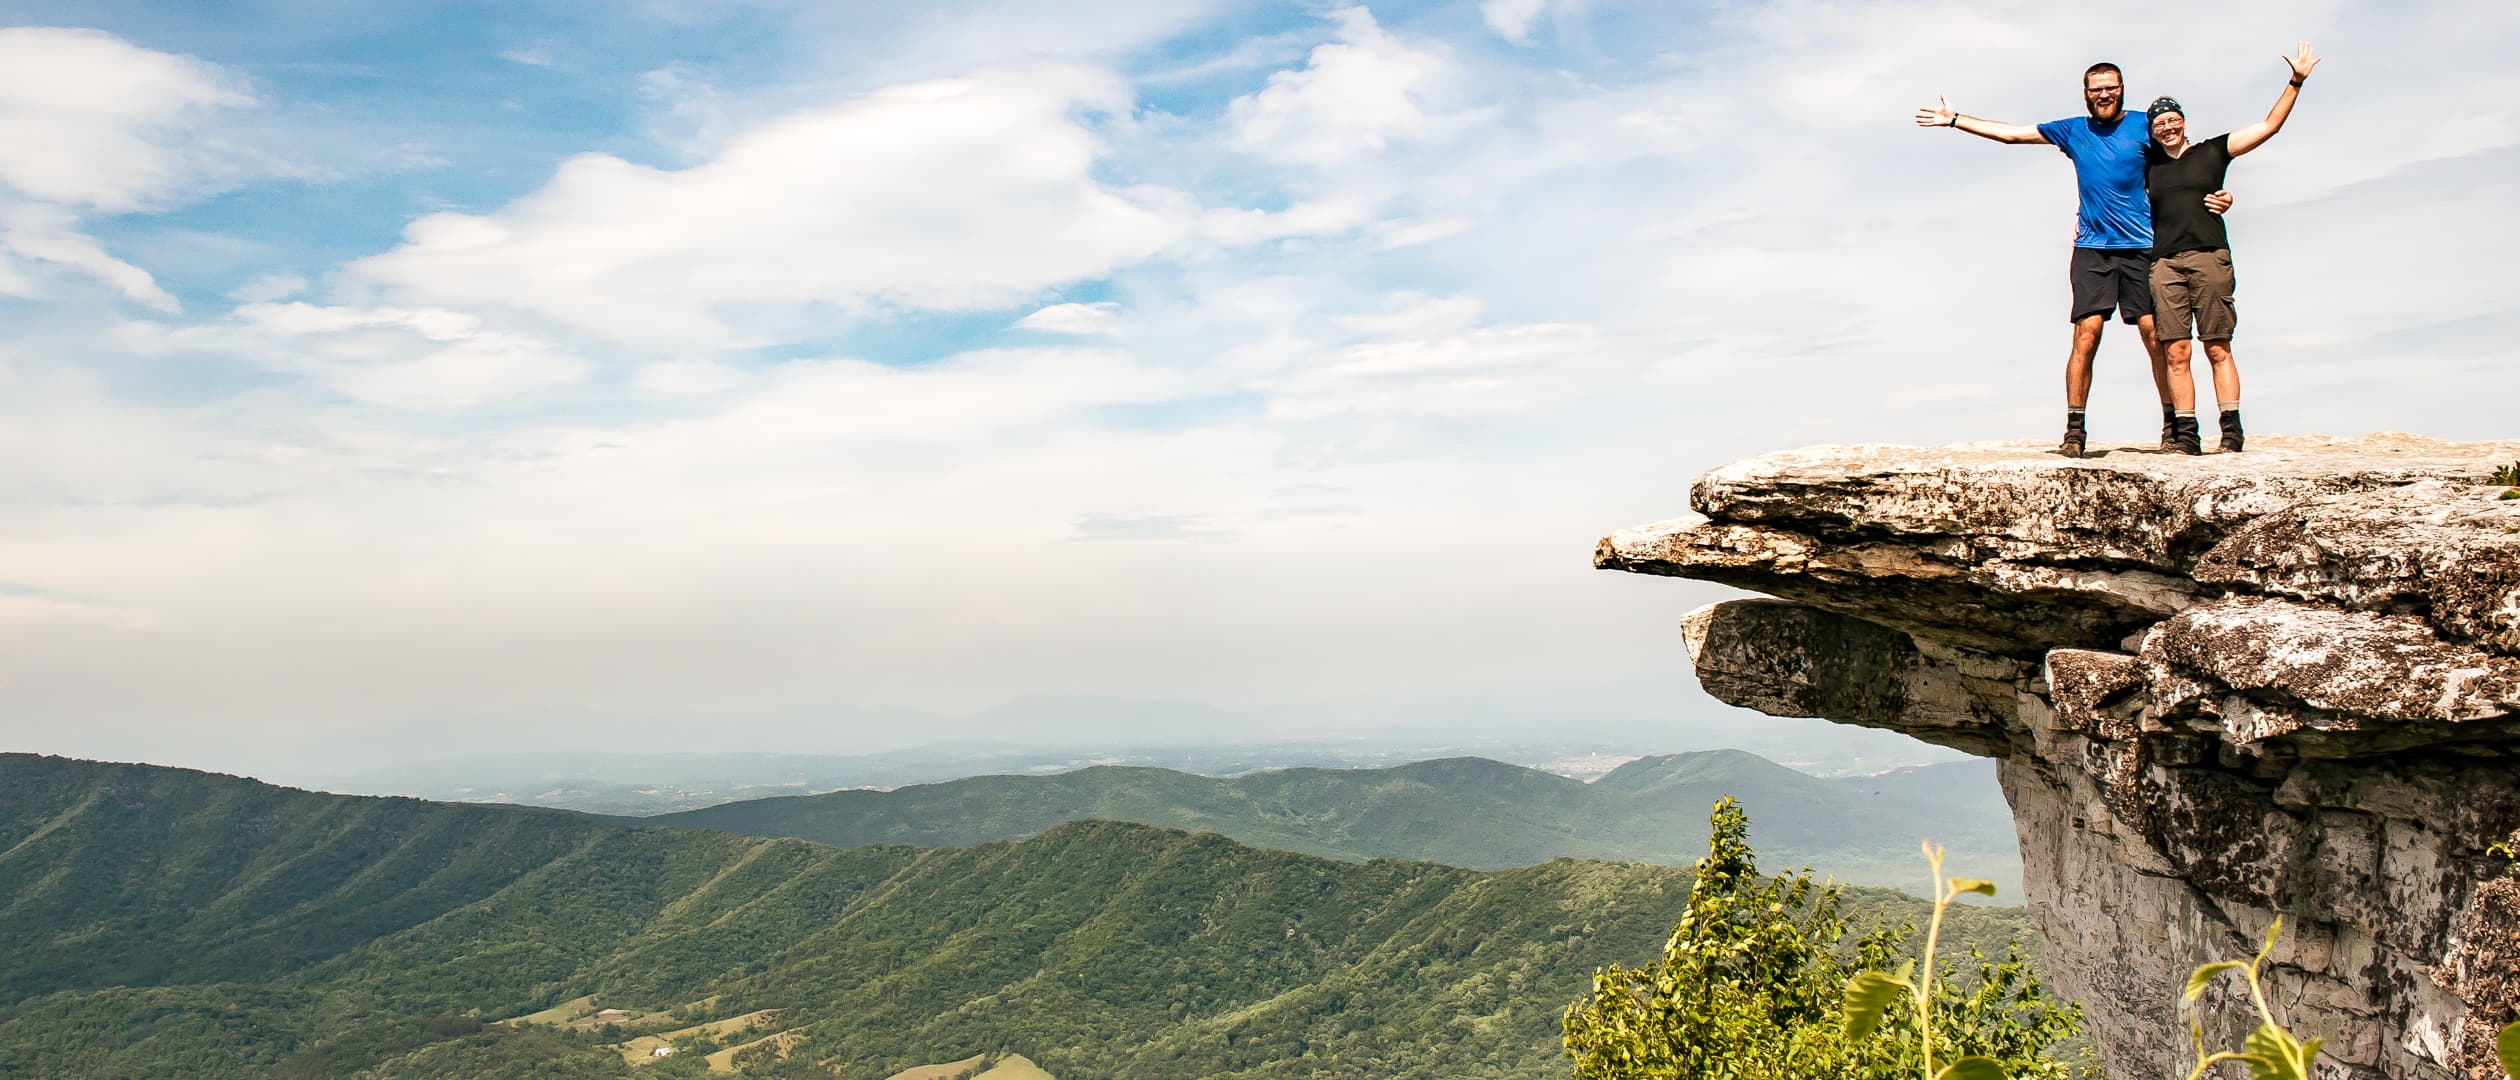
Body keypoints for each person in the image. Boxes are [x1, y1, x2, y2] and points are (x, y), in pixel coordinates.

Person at [1914, 63, 2218, 458]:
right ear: (2086, 92)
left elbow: (2186, 160)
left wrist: (2216, 196)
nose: (2103, 94)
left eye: (2110, 87)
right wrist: (1955, 120)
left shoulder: (2146, 125)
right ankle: (2075, 430)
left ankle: (2171, 424)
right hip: (2093, 248)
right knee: (2087, 334)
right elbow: (2011, 135)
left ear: (2122, 89)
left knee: (2154, 333)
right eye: (2096, 89)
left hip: (2143, 246)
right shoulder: (2073, 130)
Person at [2144, 43, 2320, 454]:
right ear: (2152, 130)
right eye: (2159, 123)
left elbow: (2268, 126)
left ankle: (2231, 430)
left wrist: (2296, 81)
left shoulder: (2212, 151)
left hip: (2209, 256)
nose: (2167, 127)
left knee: (2217, 345)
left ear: (2183, 122)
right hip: (2165, 263)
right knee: (2176, 351)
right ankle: (2187, 434)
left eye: (2173, 120)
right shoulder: (2148, 166)